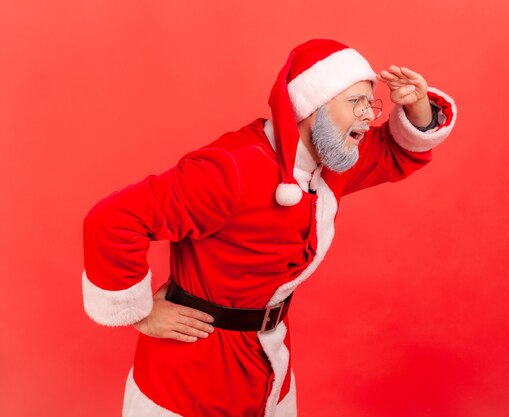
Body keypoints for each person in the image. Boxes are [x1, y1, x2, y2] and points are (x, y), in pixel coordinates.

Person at [82, 39, 457, 417]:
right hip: (192, 374)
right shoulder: (229, 170)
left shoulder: (329, 159)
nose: (367, 115)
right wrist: (139, 312)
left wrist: (416, 104)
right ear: (314, 107)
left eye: (370, 102)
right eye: (355, 101)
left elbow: (395, 151)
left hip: (267, 364)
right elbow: (113, 219)